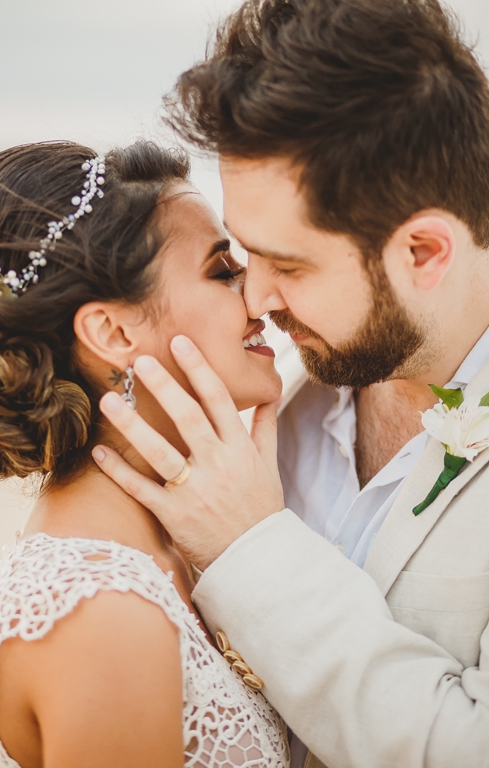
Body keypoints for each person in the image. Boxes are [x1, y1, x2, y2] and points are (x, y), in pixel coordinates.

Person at [93, 1, 489, 766]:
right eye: (243, 255)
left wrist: (250, 550)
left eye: (291, 265)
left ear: (425, 251)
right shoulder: (287, 409)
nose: (255, 299)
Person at [0, 139, 290, 767]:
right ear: (112, 333)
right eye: (224, 272)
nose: (261, 299)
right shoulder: (99, 612)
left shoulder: (175, 542)